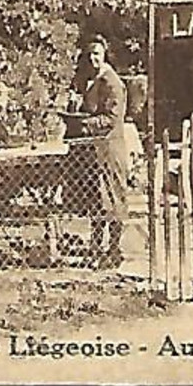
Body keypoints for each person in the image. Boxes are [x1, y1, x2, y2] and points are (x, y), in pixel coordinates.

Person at [74, 35, 131, 268]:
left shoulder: (111, 81)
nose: (92, 59)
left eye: (96, 54)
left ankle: (114, 249)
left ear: (105, 55)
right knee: (97, 201)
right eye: (89, 55)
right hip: (95, 150)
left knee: (115, 199)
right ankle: (97, 248)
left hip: (111, 148)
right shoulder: (93, 80)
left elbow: (111, 117)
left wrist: (84, 124)